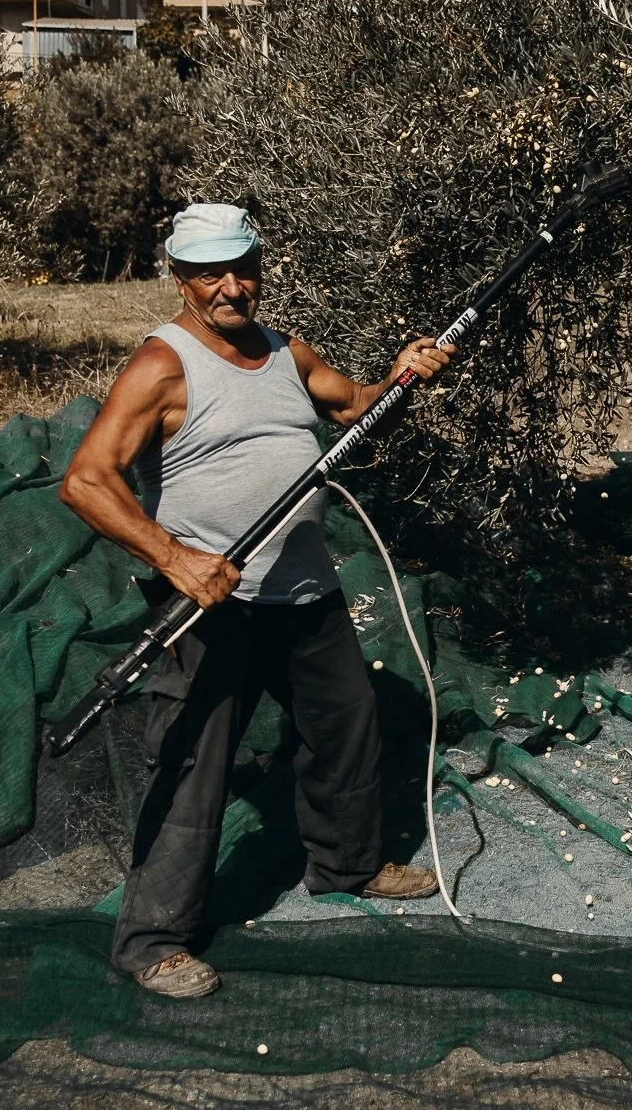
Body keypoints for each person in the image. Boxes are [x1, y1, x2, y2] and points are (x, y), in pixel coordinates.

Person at [60, 202, 456, 999]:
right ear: (180, 277)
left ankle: (346, 865)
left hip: (303, 588)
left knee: (345, 725)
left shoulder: (286, 351)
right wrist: (176, 559)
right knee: (195, 763)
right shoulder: (161, 366)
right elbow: (85, 480)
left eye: (244, 268)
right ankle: (152, 941)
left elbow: (353, 408)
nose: (232, 287)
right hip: (210, 607)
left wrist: (403, 373)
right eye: (212, 273)